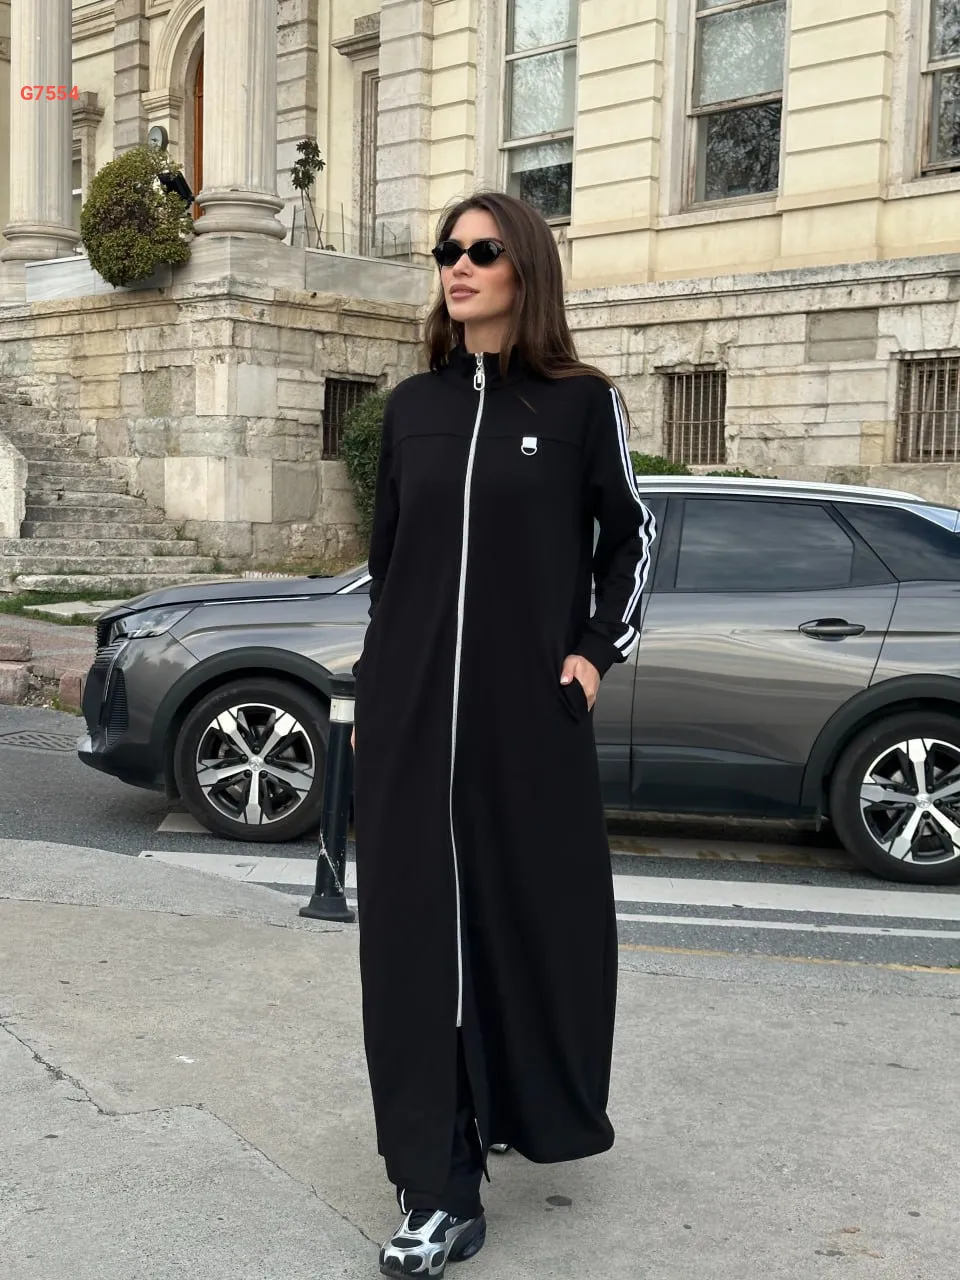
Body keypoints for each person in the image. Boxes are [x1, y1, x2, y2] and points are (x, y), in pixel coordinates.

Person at [350, 190, 657, 1278]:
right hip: (410, 722)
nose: (459, 266)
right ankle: (436, 1182)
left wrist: (593, 654)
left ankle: (515, 1106)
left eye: (481, 250)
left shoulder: (581, 403)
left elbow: (631, 538)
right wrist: (380, 684)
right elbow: (389, 565)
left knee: (532, 929)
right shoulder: (413, 407)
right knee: (411, 942)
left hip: (528, 726)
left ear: (525, 267)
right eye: (448, 250)